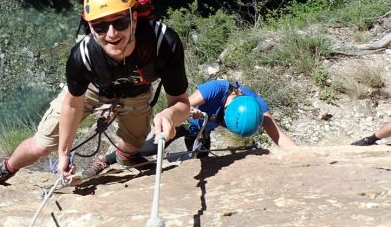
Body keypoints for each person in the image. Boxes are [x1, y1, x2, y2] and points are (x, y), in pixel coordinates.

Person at [0, 0, 191, 185]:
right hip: (92, 88)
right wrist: (63, 153)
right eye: (100, 27)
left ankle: (116, 158)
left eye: (120, 22)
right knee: (41, 145)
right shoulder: (83, 55)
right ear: (90, 26)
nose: (112, 34)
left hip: (137, 91)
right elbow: (72, 103)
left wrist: (170, 114)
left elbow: (181, 103)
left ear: (134, 18)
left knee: (134, 144)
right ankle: (7, 168)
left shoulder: (163, 43)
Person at [80, 79, 297, 178]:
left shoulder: (257, 109)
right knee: (149, 147)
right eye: (221, 117)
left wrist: (301, 158)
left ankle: (147, 162)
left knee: (201, 159)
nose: (220, 119)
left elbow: (279, 136)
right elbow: (181, 106)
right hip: (186, 122)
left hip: (202, 131)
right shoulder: (216, 89)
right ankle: (106, 160)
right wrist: (190, 112)